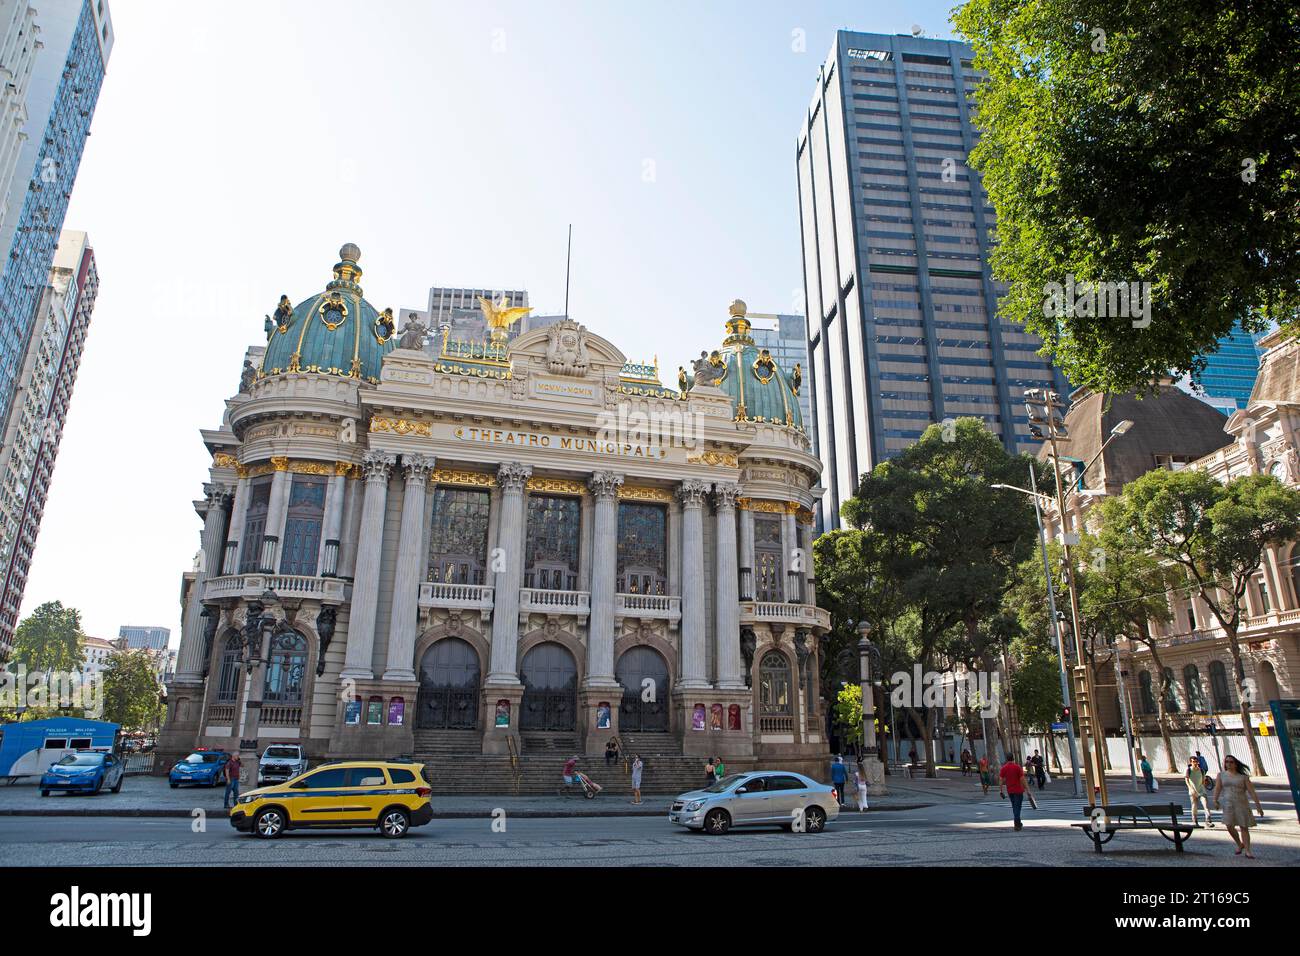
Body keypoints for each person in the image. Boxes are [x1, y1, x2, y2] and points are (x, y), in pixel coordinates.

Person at [1213, 755, 1264, 858]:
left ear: (1236, 764)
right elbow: (1217, 788)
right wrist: (1215, 800)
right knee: (1229, 825)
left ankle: (1248, 851)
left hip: (1241, 803)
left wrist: (1258, 806)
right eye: (1227, 762)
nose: (1228, 764)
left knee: (1243, 826)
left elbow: (1252, 792)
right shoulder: (1221, 775)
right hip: (1228, 803)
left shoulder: (1243, 777)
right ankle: (1239, 844)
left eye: (1231, 762)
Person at [999, 753, 1028, 830]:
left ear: (1006, 759)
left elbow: (1001, 780)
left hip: (1010, 791)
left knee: (1014, 806)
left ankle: (1018, 822)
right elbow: (1022, 779)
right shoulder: (1017, 767)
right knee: (1017, 807)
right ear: (1013, 758)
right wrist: (1027, 789)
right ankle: (1017, 823)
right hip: (1018, 790)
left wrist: (1001, 790)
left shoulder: (1004, 768)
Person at [1185, 756, 1214, 828]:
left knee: (1206, 805)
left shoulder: (1201, 770)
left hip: (1201, 791)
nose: (1195, 763)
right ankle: (1195, 821)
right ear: (1190, 762)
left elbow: (1203, 780)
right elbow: (1187, 780)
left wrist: (1203, 786)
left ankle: (1208, 821)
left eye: (1196, 762)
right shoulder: (1188, 770)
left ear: (1198, 762)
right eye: (1193, 762)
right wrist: (1190, 788)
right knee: (1194, 806)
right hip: (1193, 792)